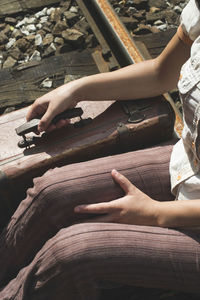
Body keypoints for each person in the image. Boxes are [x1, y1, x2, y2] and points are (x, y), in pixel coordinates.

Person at [1, 0, 200, 298]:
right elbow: (162, 73)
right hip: (190, 167)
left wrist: (157, 214)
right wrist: (76, 90)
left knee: (71, 254)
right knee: (52, 192)